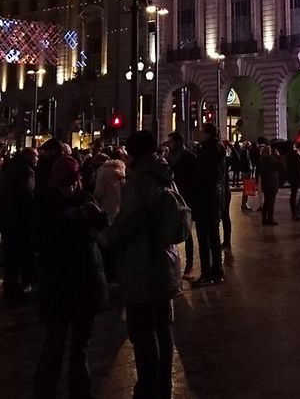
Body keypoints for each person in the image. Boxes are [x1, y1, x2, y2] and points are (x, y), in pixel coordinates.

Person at [104, 131, 185, 399]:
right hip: (166, 259)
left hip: (142, 263)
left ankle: (148, 388)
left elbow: (128, 223)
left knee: (142, 330)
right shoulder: (165, 174)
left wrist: (105, 237)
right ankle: (162, 385)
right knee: (162, 326)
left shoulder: (139, 180)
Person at [33, 154, 109, 399]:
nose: (72, 185)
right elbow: (41, 241)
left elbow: (101, 235)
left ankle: (80, 392)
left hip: (83, 284)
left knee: (79, 347)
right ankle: (47, 392)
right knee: (54, 345)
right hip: (60, 284)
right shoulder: (47, 205)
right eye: (68, 181)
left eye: (75, 180)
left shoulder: (85, 201)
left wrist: (96, 218)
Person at [0, 147, 38, 303]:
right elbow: (27, 196)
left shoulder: (9, 169)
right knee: (23, 256)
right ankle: (21, 290)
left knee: (10, 259)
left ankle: (9, 288)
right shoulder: (28, 172)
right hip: (21, 222)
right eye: (36, 157)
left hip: (8, 220)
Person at [191, 122, 228, 284]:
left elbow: (203, 177)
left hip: (205, 199)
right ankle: (217, 271)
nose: (199, 134)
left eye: (202, 132)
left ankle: (207, 273)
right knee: (213, 236)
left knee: (204, 238)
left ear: (208, 134)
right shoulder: (217, 150)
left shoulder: (207, 152)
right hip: (214, 198)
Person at [166, 132, 199, 278]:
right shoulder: (168, 158)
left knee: (187, 232)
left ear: (178, 142)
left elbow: (195, 180)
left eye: (171, 141)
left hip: (187, 198)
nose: (169, 144)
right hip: (172, 198)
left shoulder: (190, 157)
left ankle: (189, 264)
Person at [257, 141, 283, 225]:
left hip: (265, 182)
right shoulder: (270, 159)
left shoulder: (261, 160)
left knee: (267, 201)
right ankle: (270, 219)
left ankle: (264, 219)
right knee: (271, 202)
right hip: (272, 182)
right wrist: (278, 156)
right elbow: (280, 165)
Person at [285, 140, 300, 220]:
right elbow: (293, 166)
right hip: (295, 176)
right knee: (294, 194)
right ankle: (295, 212)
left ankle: (297, 209)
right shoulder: (293, 154)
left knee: (299, 192)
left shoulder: (298, 153)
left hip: (297, 176)